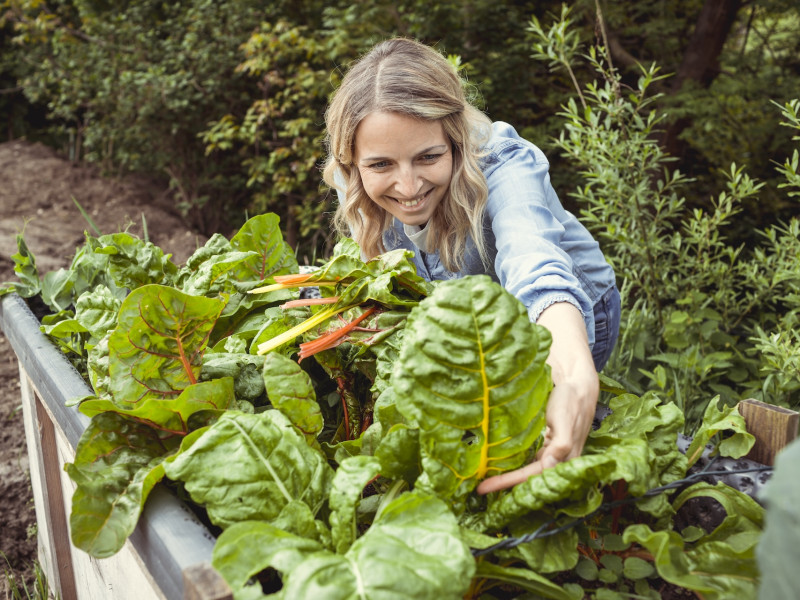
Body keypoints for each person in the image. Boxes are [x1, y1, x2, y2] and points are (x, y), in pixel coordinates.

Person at [322, 37, 620, 494]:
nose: (408, 187)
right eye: (381, 165)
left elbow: (537, 270)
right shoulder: (353, 175)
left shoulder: (504, 165)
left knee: (543, 428)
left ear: (455, 141)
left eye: (428, 157)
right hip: (465, 313)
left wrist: (576, 381)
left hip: (572, 311)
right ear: (352, 161)